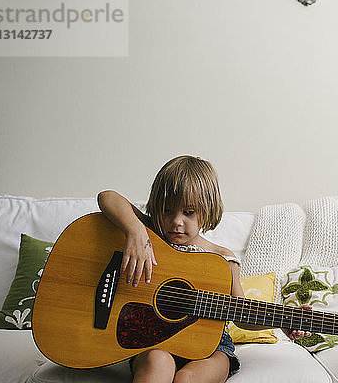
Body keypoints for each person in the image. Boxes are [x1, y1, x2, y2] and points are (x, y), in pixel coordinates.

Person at [98, 155, 309, 383]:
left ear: (207, 210)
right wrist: (136, 232)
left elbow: (242, 314)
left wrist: (283, 320)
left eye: (188, 213)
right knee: (155, 366)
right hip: (154, 340)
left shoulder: (222, 259)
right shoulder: (153, 236)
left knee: (187, 379)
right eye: (168, 211)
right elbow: (107, 196)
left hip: (212, 347)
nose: (176, 221)